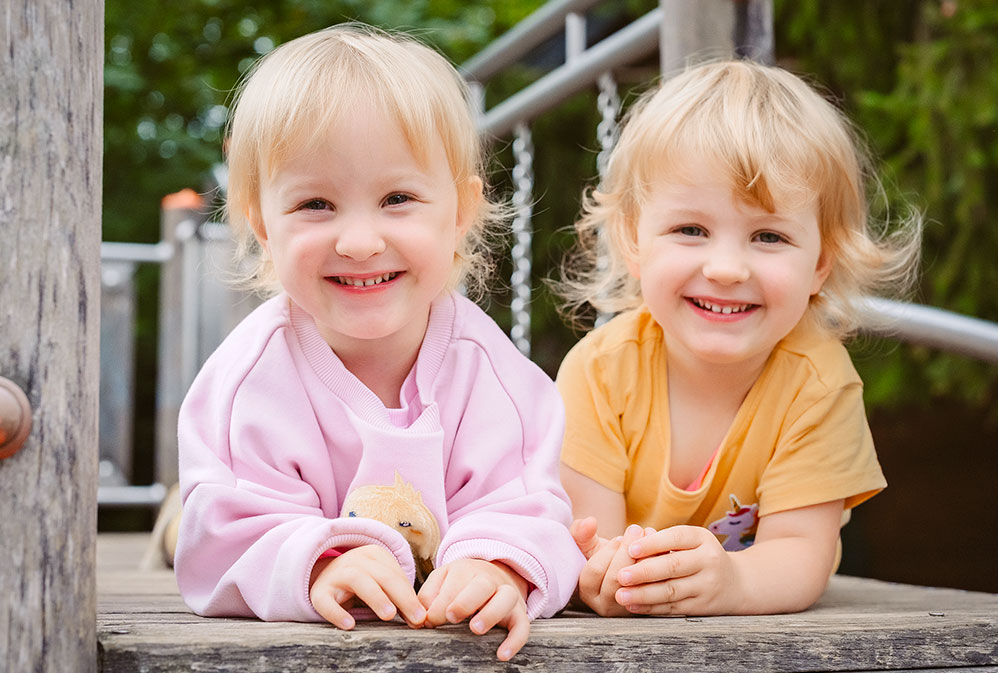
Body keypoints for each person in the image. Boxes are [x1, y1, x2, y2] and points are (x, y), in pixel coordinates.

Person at [173, 24, 583, 661]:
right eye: (315, 203)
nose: (359, 241)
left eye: (398, 198)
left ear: (461, 212)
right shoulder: (253, 378)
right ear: (260, 221)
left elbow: (527, 502)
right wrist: (318, 563)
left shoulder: (487, 368)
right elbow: (224, 530)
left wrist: (498, 567)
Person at [553, 60, 921, 617]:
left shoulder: (817, 384)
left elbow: (800, 554)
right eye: (690, 230)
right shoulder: (600, 372)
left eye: (768, 235)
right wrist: (603, 576)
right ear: (632, 240)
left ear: (820, 262)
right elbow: (587, 541)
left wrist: (733, 583)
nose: (726, 268)